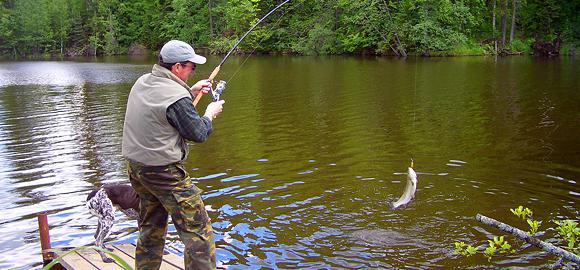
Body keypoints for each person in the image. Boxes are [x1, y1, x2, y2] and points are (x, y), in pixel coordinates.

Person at [122, 40, 224, 270]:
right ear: (177, 67)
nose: (192, 71)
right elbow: (198, 133)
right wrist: (209, 114)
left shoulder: (143, 82)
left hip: (137, 169)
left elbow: (163, 108)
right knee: (199, 232)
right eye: (191, 67)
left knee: (151, 227)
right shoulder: (176, 97)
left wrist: (190, 90)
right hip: (163, 173)